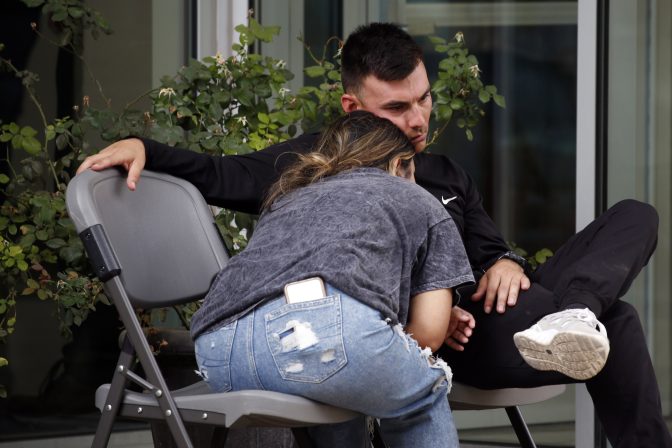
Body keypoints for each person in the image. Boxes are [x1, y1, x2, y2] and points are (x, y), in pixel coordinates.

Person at [77, 22, 671, 447]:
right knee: (617, 321)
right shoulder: (314, 164)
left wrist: (507, 260)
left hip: (514, 309)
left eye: (423, 101)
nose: (416, 122)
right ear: (351, 106)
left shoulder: (446, 174)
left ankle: (575, 314)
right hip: (449, 336)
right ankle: (583, 316)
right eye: (395, 109)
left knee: (635, 213)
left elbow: (489, 248)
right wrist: (145, 148)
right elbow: (217, 172)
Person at [191, 110, 473, 447]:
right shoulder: (420, 200)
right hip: (323, 339)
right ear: (400, 164)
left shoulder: (286, 197)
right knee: (422, 392)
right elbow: (428, 333)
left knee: (335, 389)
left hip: (218, 352)